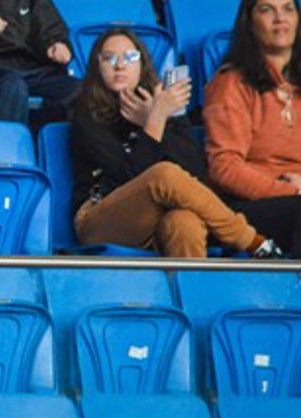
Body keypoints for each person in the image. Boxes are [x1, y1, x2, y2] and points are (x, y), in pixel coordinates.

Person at [72, 28, 279, 258]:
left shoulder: (165, 105)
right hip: (100, 219)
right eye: (109, 58)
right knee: (164, 174)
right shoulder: (85, 113)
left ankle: (194, 283)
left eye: (130, 57)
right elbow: (127, 176)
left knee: (185, 222)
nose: (120, 65)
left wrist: (154, 118)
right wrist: (155, 120)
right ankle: (252, 241)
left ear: (142, 65)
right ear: (97, 65)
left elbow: (196, 174)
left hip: (157, 219)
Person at [204, 0, 301, 258]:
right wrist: (291, 191)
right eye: (267, 10)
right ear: (250, 23)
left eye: (288, 9)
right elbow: (225, 168)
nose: (280, 18)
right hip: (247, 206)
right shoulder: (230, 83)